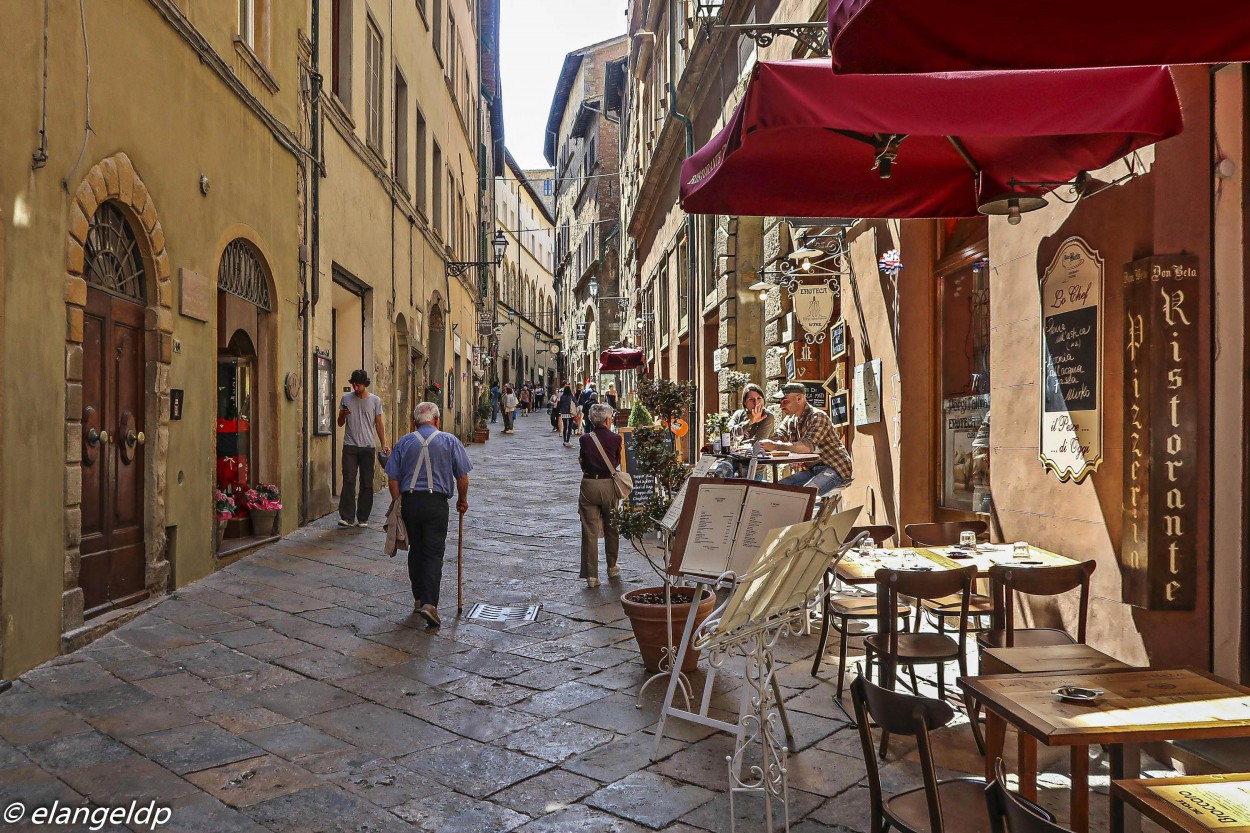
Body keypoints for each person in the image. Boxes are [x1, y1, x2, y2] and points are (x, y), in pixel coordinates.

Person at [385, 402, 471, 628]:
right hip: (436, 503)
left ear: (415, 422)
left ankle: (419, 598)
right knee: (433, 553)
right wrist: (462, 500)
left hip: (411, 502)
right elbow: (462, 476)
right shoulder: (450, 441)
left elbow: (392, 478)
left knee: (416, 550)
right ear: (437, 420)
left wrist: (398, 503)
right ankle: (431, 604)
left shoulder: (404, 442)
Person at [760, 382, 853, 495]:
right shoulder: (791, 420)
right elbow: (778, 437)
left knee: (805, 495)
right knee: (777, 490)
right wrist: (764, 444)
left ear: (799, 398)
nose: (781, 406)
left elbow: (806, 447)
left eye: (785, 401)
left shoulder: (818, 416)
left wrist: (775, 446)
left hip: (835, 468)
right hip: (813, 470)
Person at [337, 369, 389, 528]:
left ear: (365, 384)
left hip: (368, 446)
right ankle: (347, 517)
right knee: (349, 480)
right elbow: (339, 423)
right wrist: (343, 415)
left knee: (366, 483)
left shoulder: (375, 400)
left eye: (358, 384)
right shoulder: (346, 399)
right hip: (350, 446)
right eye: (353, 384)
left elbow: (379, 424)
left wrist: (384, 443)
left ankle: (363, 517)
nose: (355, 387)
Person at [578, 403, 621, 587]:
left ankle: (592, 576)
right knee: (612, 526)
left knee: (589, 531)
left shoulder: (585, 439)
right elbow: (617, 462)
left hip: (589, 485)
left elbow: (582, 462)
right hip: (608, 485)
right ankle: (611, 566)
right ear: (607, 420)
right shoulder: (616, 438)